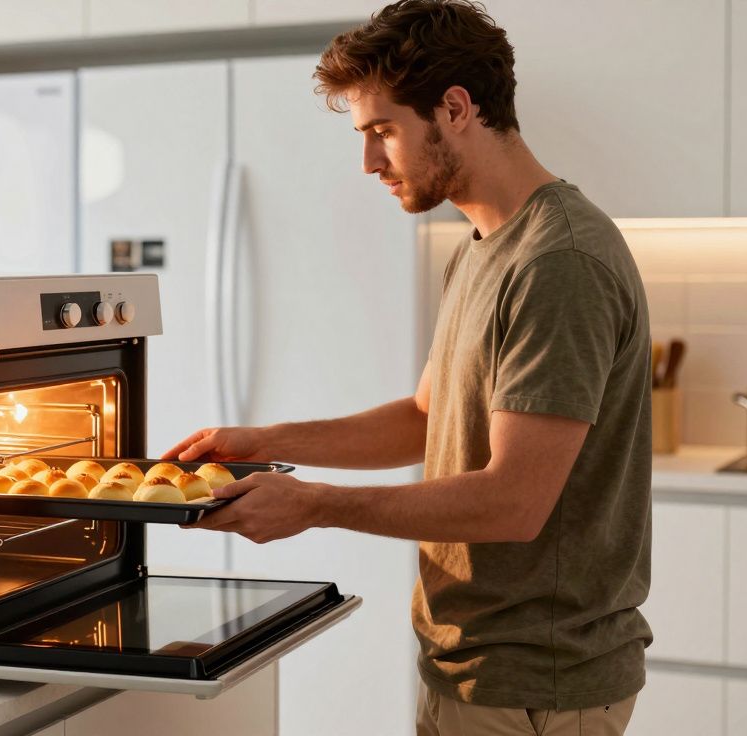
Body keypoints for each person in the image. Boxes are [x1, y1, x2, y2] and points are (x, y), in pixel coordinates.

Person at [164, 2, 652, 734]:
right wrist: (267, 442)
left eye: (382, 132)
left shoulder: (561, 262)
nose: (368, 162)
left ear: (455, 108)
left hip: (537, 687)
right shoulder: (484, 246)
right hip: (473, 666)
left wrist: (318, 505)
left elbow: (514, 503)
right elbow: (426, 419)